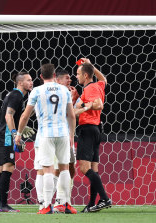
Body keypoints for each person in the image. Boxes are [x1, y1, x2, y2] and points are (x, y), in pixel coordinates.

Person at [15, 64, 77, 214]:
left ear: (41, 76)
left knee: (47, 170)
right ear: (54, 75)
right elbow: (71, 115)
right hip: (62, 133)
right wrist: (71, 136)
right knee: (64, 168)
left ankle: (46, 205)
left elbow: (25, 115)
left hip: (45, 134)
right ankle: (66, 204)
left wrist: (18, 134)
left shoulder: (37, 91)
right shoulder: (64, 90)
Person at [0, 71, 35, 212]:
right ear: (20, 82)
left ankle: (2, 205)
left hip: (0, 134)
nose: (31, 82)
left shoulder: (14, 95)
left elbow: (18, 115)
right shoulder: (16, 95)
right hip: (6, 136)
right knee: (8, 167)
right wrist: (15, 133)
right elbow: (8, 115)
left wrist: (22, 126)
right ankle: (3, 205)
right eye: (28, 80)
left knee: (1, 169)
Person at [74, 58, 112, 212]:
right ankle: (91, 204)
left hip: (88, 129)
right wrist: (92, 66)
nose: (76, 76)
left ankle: (104, 198)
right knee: (93, 171)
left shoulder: (90, 88)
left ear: (86, 76)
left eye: (78, 74)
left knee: (84, 168)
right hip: (95, 130)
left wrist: (82, 104)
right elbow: (104, 79)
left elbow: (99, 104)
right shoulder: (98, 85)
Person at [53, 69, 79, 212]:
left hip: (68, 136)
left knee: (71, 168)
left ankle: (66, 200)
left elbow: (73, 115)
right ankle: (57, 202)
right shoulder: (55, 94)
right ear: (58, 80)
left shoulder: (69, 95)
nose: (70, 81)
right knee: (58, 169)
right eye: (67, 78)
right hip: (57, 136)